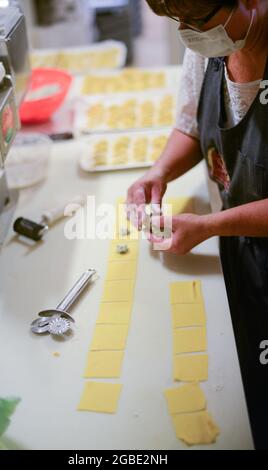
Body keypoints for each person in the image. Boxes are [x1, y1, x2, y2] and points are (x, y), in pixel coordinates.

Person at [127, 0, 268, 449]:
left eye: (197, 20)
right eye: (178, 22)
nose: (189, 32)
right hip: (241, 250)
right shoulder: (213, 44)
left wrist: (208, 227)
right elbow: (192, 125)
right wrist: (159, 173)